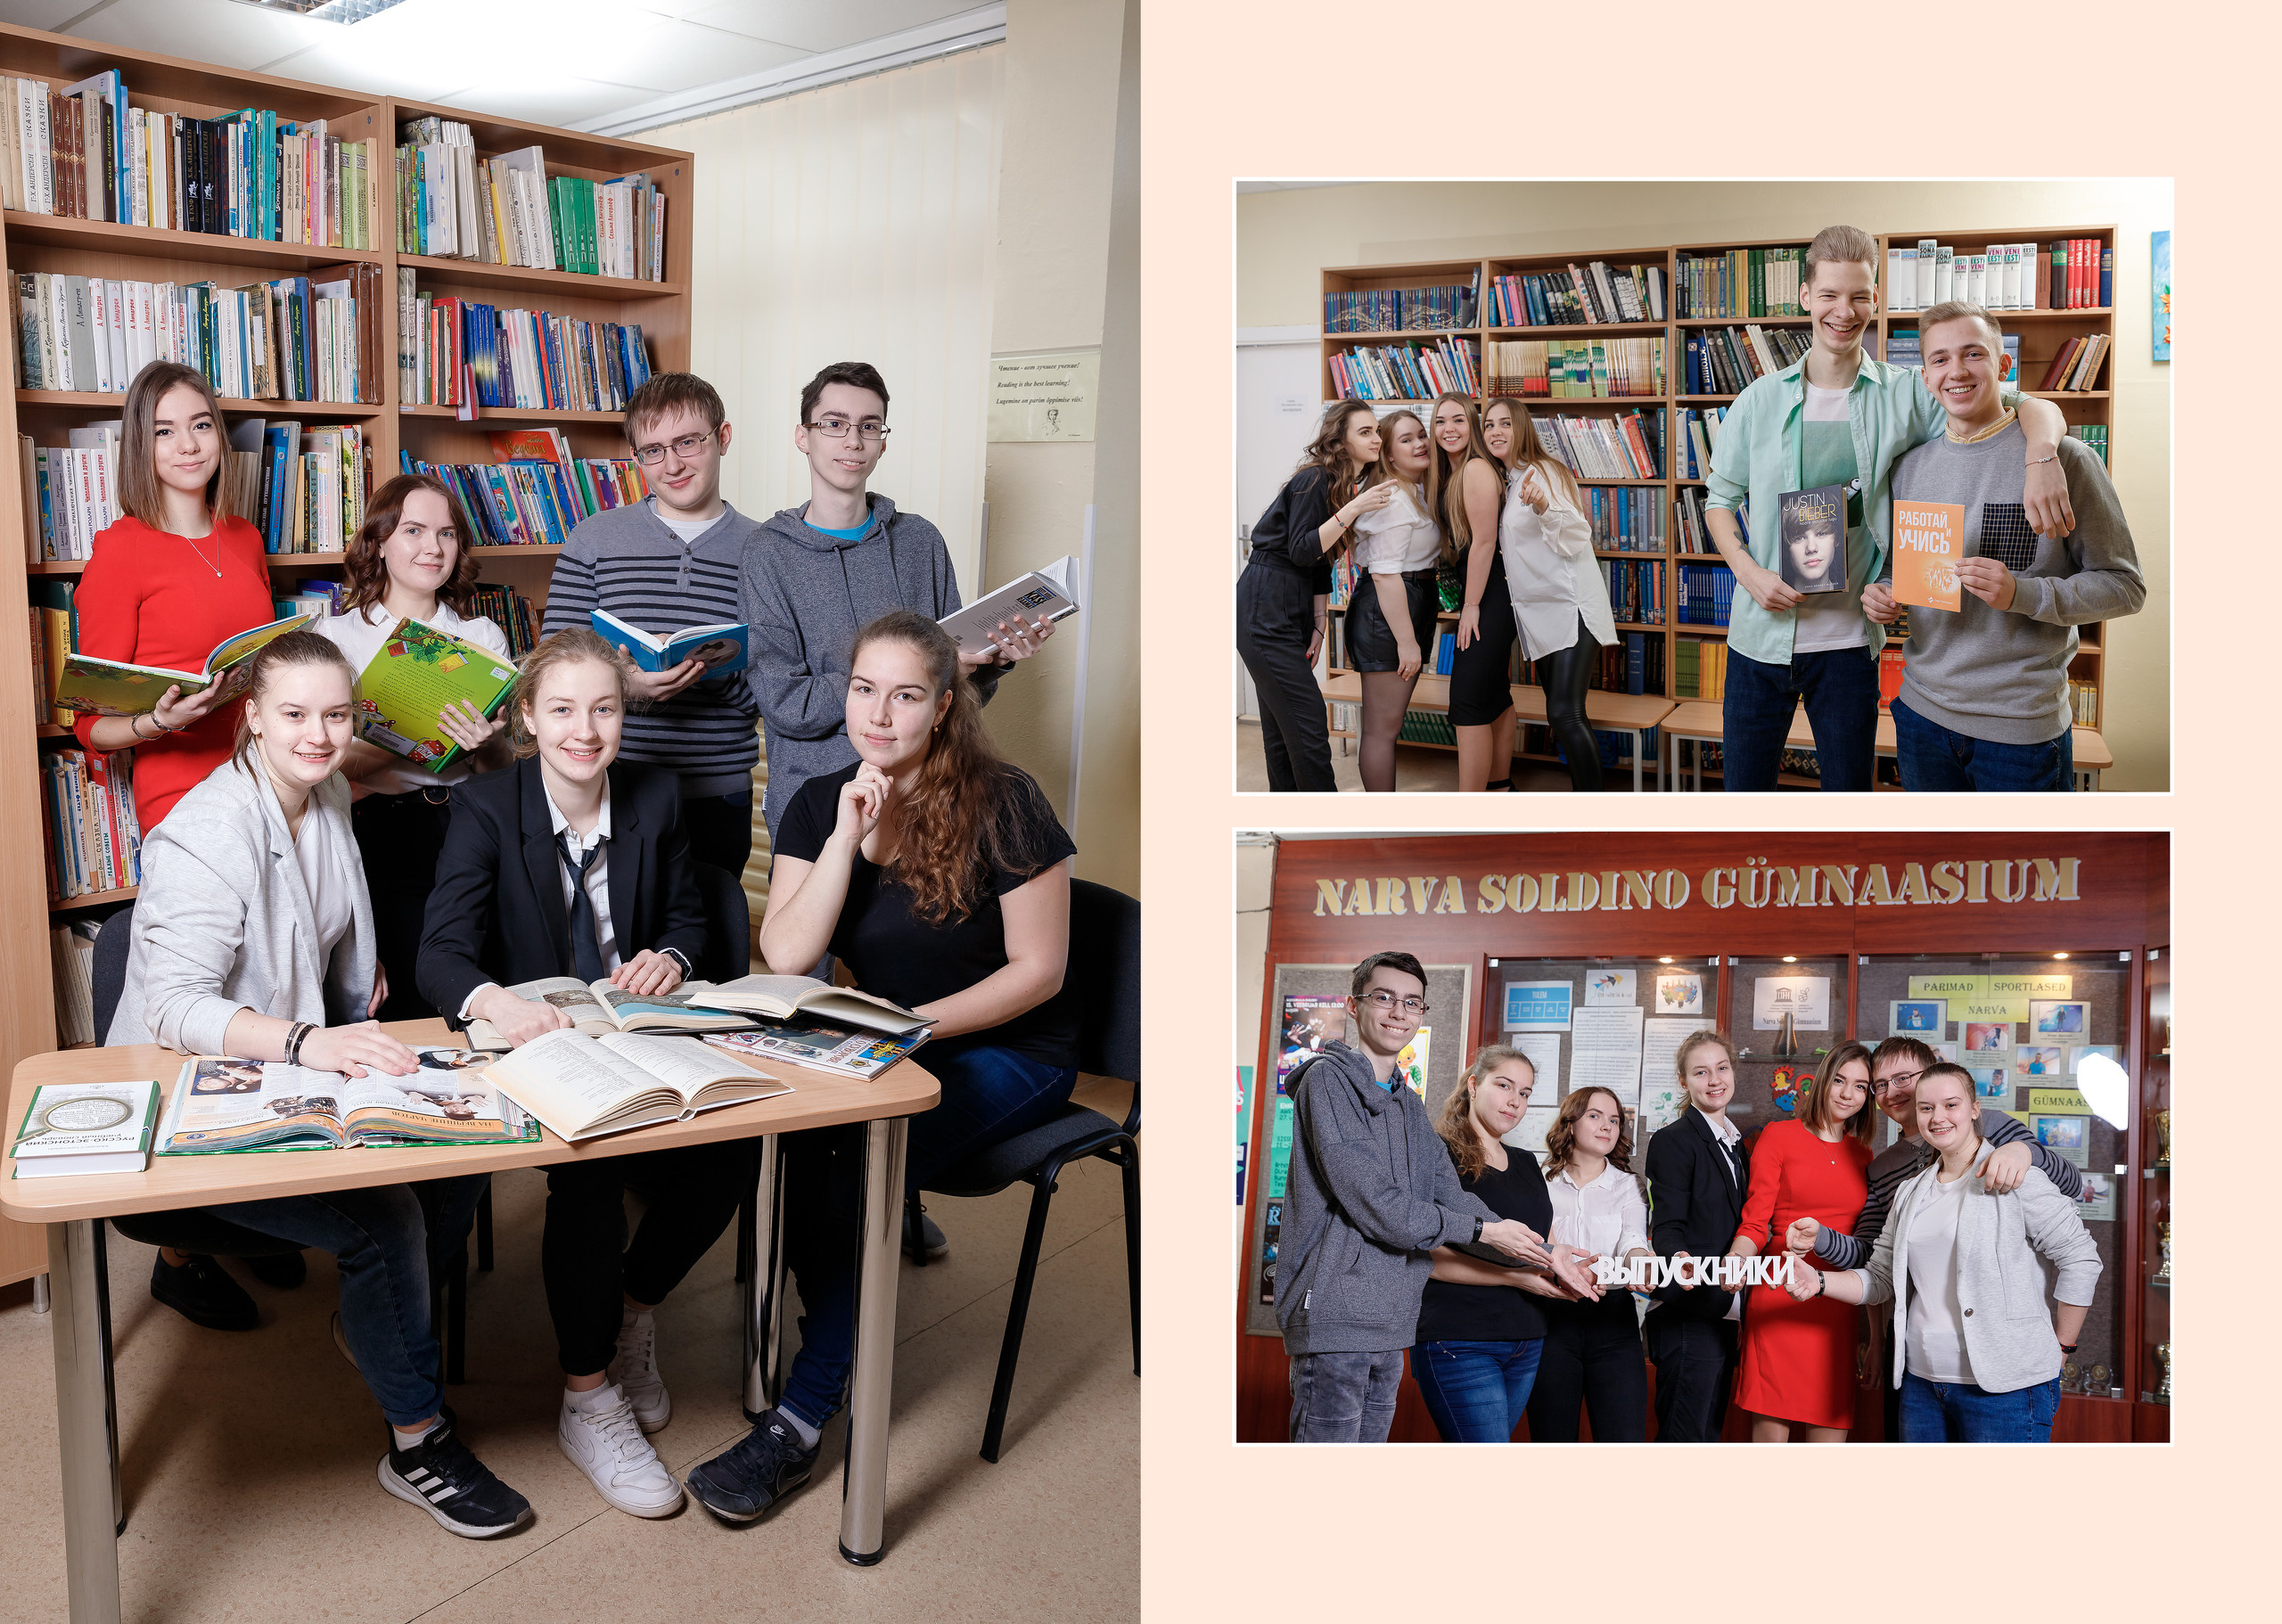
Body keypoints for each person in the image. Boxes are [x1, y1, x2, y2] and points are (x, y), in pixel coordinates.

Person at [105, 631, 527, 1538]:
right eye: (294, 714)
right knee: (387, 1219)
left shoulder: (325, 789)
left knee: (462, 1156)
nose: (319, 733)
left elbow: (325, 921)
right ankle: (418, 1439)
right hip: (195, 1090)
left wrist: (354, 982)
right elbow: (175, 1008)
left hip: (294, 1062)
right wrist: (311, 1037)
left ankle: (380, 1331)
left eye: (336, 714)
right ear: (251, 717)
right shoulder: (207, 829)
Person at [682, 609, 1083, 1517]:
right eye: (864, 689)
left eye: (905, 695)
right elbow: (785, 955)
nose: (880, 712)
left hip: (1010, 1050)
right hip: (891, 1045)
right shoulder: (819, 797)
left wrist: (911, 1028)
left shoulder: (1005, 798)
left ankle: (796, 1420)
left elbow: (1041, 970)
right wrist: (841, 835)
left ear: (944, 706)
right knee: (800, 1146)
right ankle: (835, 1336)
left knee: (863, 1165)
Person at [415, 627, 730, 1521]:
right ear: (526, 718)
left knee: (731, 1150)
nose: (584, 730)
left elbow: (686, 918)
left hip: (633, 1031)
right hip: (533, 1040)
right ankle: (588, 1397)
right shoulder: (485, 806)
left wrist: (669, 954)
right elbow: (439, 951)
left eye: (604, 708)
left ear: (624, 716)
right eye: (561, 709)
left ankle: (631, 1307)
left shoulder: (656, 798)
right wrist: (496, 1004)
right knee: (591, 1174)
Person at [1703, 225, 2077, 791]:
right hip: (1760, 636)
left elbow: (2019, 405)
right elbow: (1719, 503)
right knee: (1745, 799)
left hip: (1851, 643)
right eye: (1829, 295)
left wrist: (2043, 456)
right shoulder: (1758, 400)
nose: (1843, 311)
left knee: (1851, 804)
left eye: (1858, 295)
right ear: (1806, 297)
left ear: (1876, 300)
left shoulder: (1908, 391)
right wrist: (1748, 572)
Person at [1271, 952, 1580, 1442]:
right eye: (1384, 998)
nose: (1398, 1012)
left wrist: (1542, 1253)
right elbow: (1374, 1201)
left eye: (1412, 1003)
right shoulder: (1326, 1082)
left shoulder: (1406, 1103)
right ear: (1354, 1006)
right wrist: (1482, 1230)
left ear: (1420, 1015)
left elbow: (1451, 1196)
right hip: (1334, 1314)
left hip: (1391, 1319)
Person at [743, 361, 1054, 841]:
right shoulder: (768, 553)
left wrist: (990, 664)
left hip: (924, 799)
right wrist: (905, 678)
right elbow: (786, 705)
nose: (853, 440)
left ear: (883, 441)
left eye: (869, 426)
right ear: (804, 437)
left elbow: (952, 700)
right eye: (835, 424)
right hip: (816, 801)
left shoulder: (920, 542)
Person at [1864, 300, 2146, 791]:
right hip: (1920, 717)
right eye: (1940, 359)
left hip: (2020, 731)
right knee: (1934, 869)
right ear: (1926, 377)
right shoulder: (1909, 468)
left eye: (1973, 354)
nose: (1957, 371)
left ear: (2003, 365)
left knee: (2026, 872)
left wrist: (2023, 594)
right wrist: (1884, 592)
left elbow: (2124, 587)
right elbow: (1901, 566)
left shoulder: (2063, 460)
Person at [1785, 1034, 2082, 1440]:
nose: (1895, 1092)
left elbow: (2073, 1224)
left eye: (1905, 1078)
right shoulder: (1898, 1178)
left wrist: (2024, 1152)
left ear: (1970, 1106)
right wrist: (1818, 1266)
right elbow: (1880, 1265)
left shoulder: (1998, 1135)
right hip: (1921, 1375)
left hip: (2002, 1377)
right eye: (1881, 1085)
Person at [541, 372, 766, 876]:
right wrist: (627, 685)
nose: (673, 464)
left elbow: (779, 682)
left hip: (717, 788)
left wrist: (708, 671)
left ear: (722, 438)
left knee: (710, 939)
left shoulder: (768, 548)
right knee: (617, 945)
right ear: (636, 457)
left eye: (688, 442)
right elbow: (552, 664)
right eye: (653, 451)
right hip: (609, 782)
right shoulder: (593, 540)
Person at [316, 473, 514, 1021]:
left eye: (447, 534)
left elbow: (498, 770)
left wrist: (483, 746)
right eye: (414, 530)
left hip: (468, 822)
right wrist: (420, 742)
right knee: (399, 983)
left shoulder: (483, 639)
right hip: (378, 826)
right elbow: (330, 760)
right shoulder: (337, 639)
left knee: (476, 972)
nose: (433, 548)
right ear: (379, 543)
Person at [70, 361, 277, 833]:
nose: (188, 445)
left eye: (201, 425)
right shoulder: (121, 549)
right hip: (183, 797)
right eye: (165, 431)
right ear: (142, 445)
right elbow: (90, 725)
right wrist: (160, 721)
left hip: (268, 780)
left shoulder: (245, 537)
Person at [1410, 1047, 1598, 1443]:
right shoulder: (1437, 1153)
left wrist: (1566, 1271)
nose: (1515, 1101)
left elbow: (1531, 1246)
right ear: (1475, 1085)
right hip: (1459, 1339)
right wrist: (1516, 1280)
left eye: (1526, 1093)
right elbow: (1426, 1257)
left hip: (1527, 1339)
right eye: (1504, 1085)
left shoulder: (1527, 1163)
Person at [1235, 400, 1393, 792]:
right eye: (1365, 432)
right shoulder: (1316, 478)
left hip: (1291, 606)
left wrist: (1320, 625)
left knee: (1283, 732)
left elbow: (1320, 562)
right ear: (1340, 440)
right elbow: (1303, 549)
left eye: (1376, 430)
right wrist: (1355, 508)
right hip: (1265, 604)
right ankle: (1325, 822)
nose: (1377, 438)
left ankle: (1293, 818)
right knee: (1307, 729)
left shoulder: (1342, 485)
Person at [1725, 1041, 1877, 1441]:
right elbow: (1755, 1223)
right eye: (1840, 1081)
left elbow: (1869, 1246)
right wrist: (1736, 1259)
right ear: (1823, 1080)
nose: (1848, 1094)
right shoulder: (1779, 1136)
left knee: (1830, 1426)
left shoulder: (1864, 1154)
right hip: (1780, 1293)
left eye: (1861, 1086)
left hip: (1835, 1299)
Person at [1486, 397, 1614, 793]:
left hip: (1571, 606)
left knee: (1566, 713)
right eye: (1489, 425)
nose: (1495, 432)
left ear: (1522, 427)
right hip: (1541, 615)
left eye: (1505, 423)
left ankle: (1596, 815)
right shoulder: (1507, 480)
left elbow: (1577, 536)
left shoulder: (1545, 471)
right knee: (1561, 715)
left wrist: (1543, 507)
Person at [1642, 1029, 1749, 1441]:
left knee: (1707, 1434)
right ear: (1684, 1082)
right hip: (1687, 1310)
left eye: (1721, 1068)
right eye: (1701, 1072)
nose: (1715, 1080)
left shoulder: (1736, 1144)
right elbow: (1667, 1227)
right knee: (1684, 1438)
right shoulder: (1674, 1141)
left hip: (1724, 1310)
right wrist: (1682, 1259)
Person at [1529, 1085, 1653, 1442]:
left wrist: (1641, 1261)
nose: (1607, 1126)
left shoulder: (1629, 1185)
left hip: (1613, 1320)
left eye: (1614, 1120)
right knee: (1552, 1440)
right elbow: (1531, 1248)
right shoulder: (1540, 1183)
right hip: (1552, 1318)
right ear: (1570, 1125)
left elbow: (1633, 1239)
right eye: (1595, 1116)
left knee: (1622, 1439)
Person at [1345, 410, 1441, 794]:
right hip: (1387, 614)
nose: (1420, 443)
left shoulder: (1415, 490)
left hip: (1410, 602)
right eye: (1406, 439)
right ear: (1387, 455)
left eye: (1421, 435)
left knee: (1387, 725)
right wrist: (1406, 641)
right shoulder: (1394, 499)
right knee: (1383, 730)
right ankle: (1383, 820)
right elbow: (1385, 575)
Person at [1431, 393, 1516, 792]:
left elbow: (1483, 542)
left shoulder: (1477, 469)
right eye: (1440, 421)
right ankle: (1500, 787)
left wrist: (1470, 607)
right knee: (1495, 695)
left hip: (1489, 598)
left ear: (1473, 427)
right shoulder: (1449, 473)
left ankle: (1470, 807)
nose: (1449, 429)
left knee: (1467, 704)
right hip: (1484, 595)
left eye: (1459, 421)